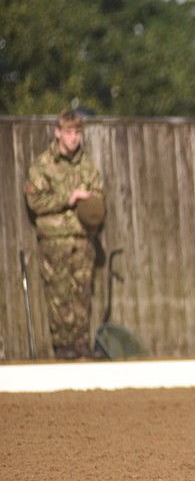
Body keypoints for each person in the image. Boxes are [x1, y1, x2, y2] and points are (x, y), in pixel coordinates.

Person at [23, 109, 105, 359]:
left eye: (77, 132)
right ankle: (63, 346)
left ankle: (81, 344)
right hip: (54, 241)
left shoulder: (88, 166)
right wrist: (68, 198)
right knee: (58, 294)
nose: (73, 137)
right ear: (58, 132)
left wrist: (91, 203)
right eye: (69, 132)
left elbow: (98, 196)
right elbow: (35, 200)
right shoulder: (43, 165)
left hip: (82, 239)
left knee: (82, 292)